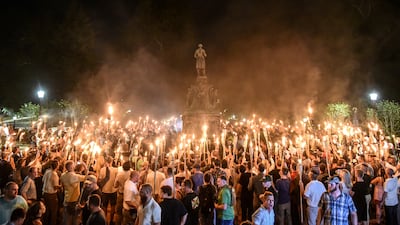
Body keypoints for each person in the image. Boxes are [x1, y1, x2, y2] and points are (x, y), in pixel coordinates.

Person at [60, 160, 86, 225]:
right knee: (75, 217)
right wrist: (85, 167)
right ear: (71, 167)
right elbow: (86, 177)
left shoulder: (63, 175)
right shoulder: (73, 176)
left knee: (67, 217)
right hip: (74, 199)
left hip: (66, 198)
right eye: (73, 165)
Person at [98, 156, 118, 225]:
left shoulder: (102, 170)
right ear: (112, 162)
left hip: (104, 190)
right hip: (113, 190)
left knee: (104, 206)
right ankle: (111, 220)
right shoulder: (116, 170)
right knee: (113, 206)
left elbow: (100, 179)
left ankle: (104, 220)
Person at [41, 160, 60, 225]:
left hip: (44, 193)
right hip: (51, 195)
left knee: (46, 211)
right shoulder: (54, 174)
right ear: (57, 166)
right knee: (53, 212)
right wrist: (61, 186)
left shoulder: (47, 171)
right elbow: (55, 186)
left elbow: (43, 180)